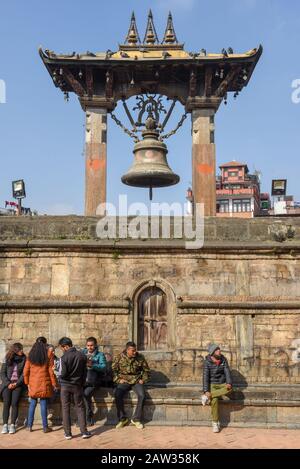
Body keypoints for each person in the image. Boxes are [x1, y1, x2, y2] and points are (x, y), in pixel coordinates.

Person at [58, 337, 91, 440]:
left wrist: (57, 373)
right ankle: (84, 432)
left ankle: (68, 433)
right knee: (80, 408)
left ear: (66, 346)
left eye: (62, 347)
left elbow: (63, 374)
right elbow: (85, 372)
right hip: (77, 385)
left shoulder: (63, 358)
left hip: (65, 386)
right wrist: (81, 383)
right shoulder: (82, 356)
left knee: (65, 408)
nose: (62, 349)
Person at [112, 341, 150, 429]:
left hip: (136, 380)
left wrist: (143, 380)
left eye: (135, 350)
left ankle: (136, 419)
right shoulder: (118, 357)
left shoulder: (140, 357)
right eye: (132, 350)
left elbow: (146, 370)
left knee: (142, 395)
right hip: (124, 381)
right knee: (117, 394)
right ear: (127, 350)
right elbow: (113, 371)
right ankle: (122, 419)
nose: (135, 352)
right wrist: (118, 379)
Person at [23, 337, 57, 432]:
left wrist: (27, 384)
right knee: (43, 404)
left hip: (33, 384)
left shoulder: (31, 355)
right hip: (44, 384)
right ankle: (45, 427)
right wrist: (54, 384)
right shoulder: (48, 355)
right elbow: (51, 372)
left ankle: (29, 426)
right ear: (45, 344)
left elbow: (25, 372)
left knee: (32, 404)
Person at [202, 344, 233, 433]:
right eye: (217, 350)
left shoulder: (223, 359)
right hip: (212, 384)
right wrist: (206, 390)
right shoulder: (207, 362)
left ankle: (208, 397)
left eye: (219, 349)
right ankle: (215, 423)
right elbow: (205, 377)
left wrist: (229, 383)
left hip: (222, 384)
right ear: (212, 353)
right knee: (214, 400)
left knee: (230, 389)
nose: (219, 351)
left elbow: (227, 372)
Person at [0, 343, 26, 434]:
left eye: (22, 349)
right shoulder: (7, 358)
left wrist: (17, 383)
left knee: (14, 403)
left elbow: (24, 374)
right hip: (7, 384)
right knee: (6, 403)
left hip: (17, 385)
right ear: (15, 350)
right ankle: (5, 425)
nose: (22, 351)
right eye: (20, 350)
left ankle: (12, 425)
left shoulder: (24, 358)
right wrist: (8, 384)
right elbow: (2, 373)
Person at [82, 337, 107, 426]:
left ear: (95, 345)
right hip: (83, 380)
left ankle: (88, 417)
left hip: (94, 381)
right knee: (79, 395)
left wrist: (92, 365)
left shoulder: (100, 355)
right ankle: (84, 417)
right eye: (88, 345)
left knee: (86, 394)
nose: (90, 347)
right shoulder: (82, 353)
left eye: (92, 345)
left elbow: (104, 367)